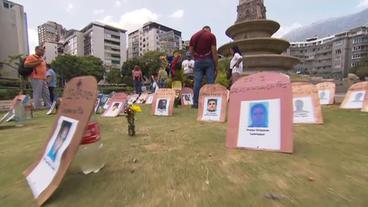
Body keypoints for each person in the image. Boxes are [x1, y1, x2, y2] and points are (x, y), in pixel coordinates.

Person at [190, 26, 218, 108]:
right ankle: (210, 101)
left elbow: (191, 50)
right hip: (209, 60)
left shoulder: (194, 36)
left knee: (197, 82)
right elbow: (214, 51)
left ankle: (195, 103)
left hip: (198, 61)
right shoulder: (211, 36)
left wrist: (195, 58)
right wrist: (216, 65)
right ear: (209, 30)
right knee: (210, 81)